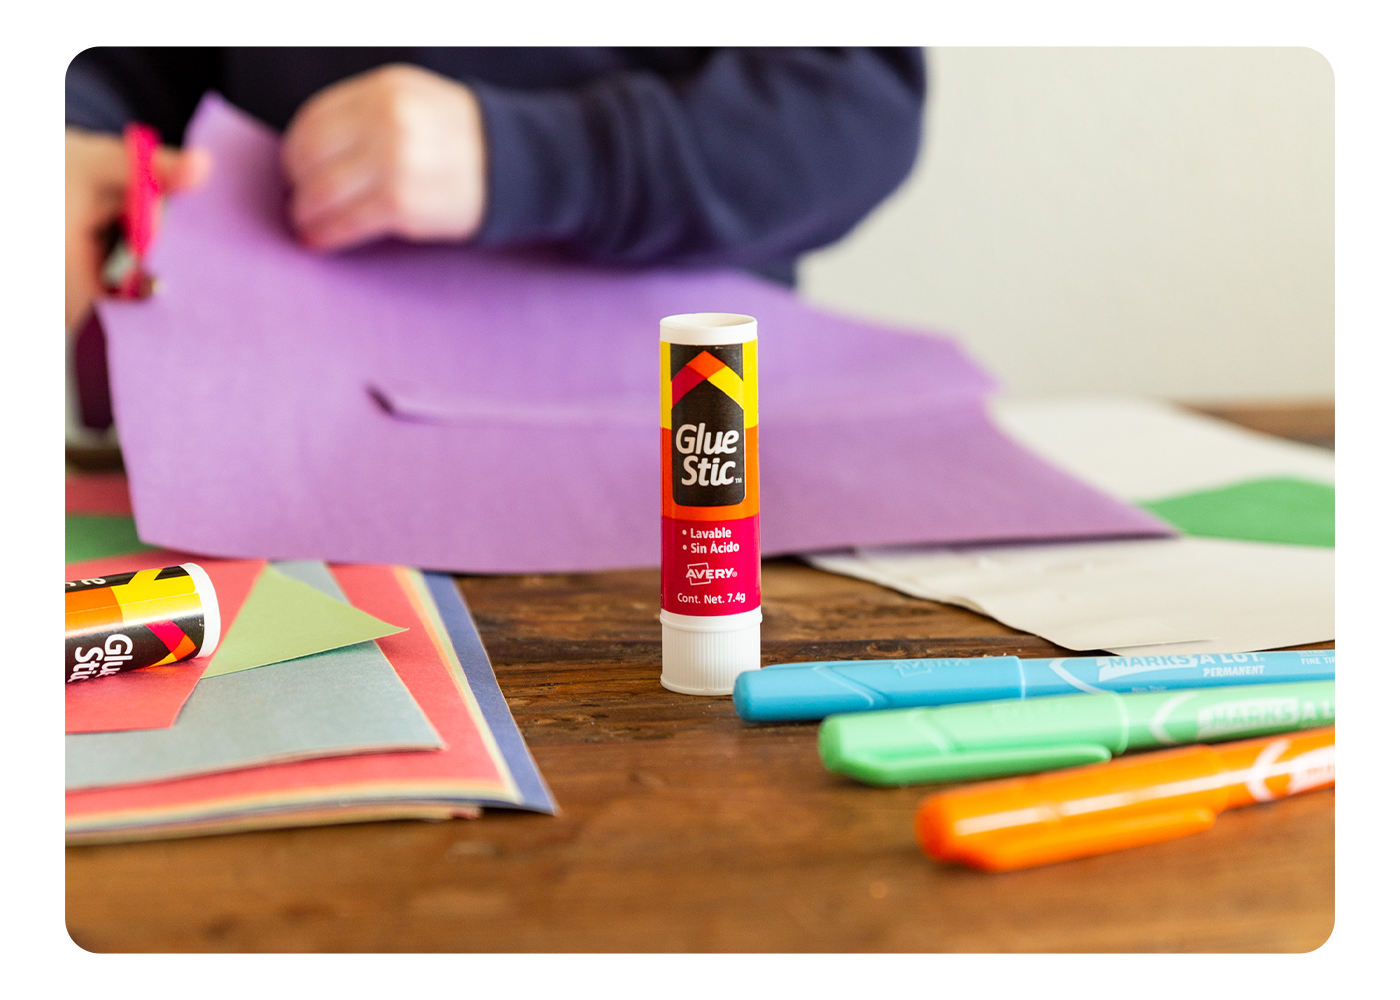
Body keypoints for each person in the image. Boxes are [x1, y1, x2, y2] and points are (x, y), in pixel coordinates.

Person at [63, 46, 926, 440]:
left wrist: (530, 154)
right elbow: (131, 58)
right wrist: (65, 133)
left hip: (668, 427)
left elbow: (856, 106)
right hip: (269, 423)